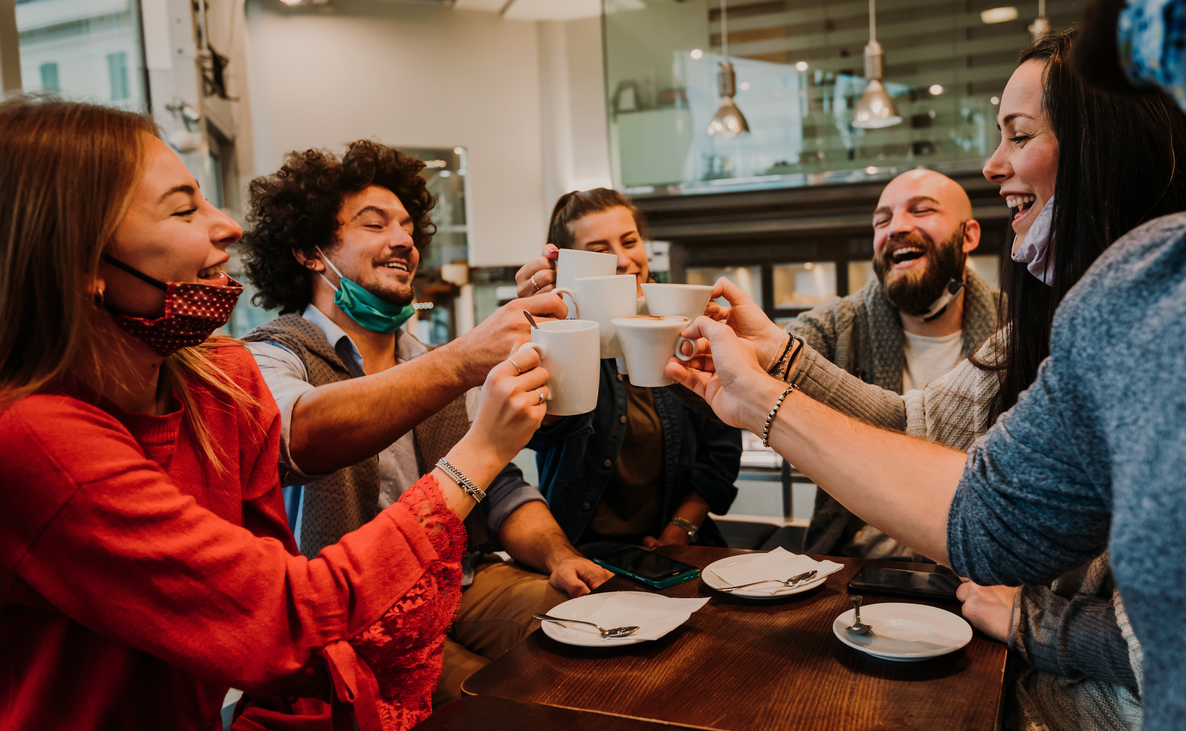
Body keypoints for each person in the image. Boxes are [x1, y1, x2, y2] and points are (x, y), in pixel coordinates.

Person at [667, 0, 1186, 728]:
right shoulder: (1110, 305)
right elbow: (953, 467)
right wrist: (775, 365)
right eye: (882, 217)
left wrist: (1033, 620)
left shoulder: (1147, 305)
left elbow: (1151, 632)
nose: (994, 165)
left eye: (1019, 135)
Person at [0, 98, 548, 730]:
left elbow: (281, 632)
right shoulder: (39, 440)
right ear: (79, 263)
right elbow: (283, 610)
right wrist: (474, 437)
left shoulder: (217, 381)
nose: (226, 226)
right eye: (183, 210)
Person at [239, 141, 612, 708]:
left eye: (408, 227)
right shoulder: (270, 355)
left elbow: (502, 488)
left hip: (462, 581)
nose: (404, 240)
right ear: (310, 252)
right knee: (506, 701)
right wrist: (464, 359)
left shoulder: (429, 360)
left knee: (598, 631)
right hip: (354, 614)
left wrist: (561, 555)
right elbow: (301, 436)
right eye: (375, 224)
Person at [513, 189, 741, 548]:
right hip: (578, 552)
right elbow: (542, 434)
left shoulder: (686, 323)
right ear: (572, 267)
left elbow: (722, 451)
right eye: (600, 251)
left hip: (682, 546)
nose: (622, 259)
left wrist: (679, 529)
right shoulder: (562, 334)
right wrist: (551, 327)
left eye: (630, 241)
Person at [791, 168, 999, 559]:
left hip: (981, 568)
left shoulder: (1013, 328)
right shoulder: (839, 326)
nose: (897, 227)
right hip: (858, 568)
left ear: (968, 235)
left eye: (921, 210)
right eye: (882, 220)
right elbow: (766, 362)